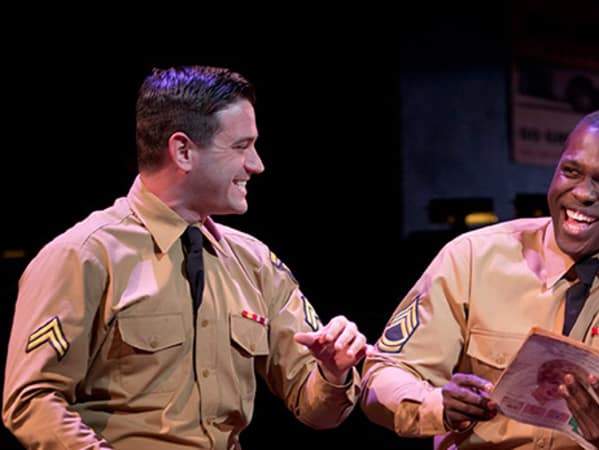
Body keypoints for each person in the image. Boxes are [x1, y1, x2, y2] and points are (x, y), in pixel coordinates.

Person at [2, 65, 367, 449]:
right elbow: (32, 400)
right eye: (241, 146)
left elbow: (318, 412)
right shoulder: (83, 257)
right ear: (183, 151)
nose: (257, 165)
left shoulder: (255, 263)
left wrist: (332, 371)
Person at [360, 108, 599, 450]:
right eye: (571, 172)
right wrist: (435, 404)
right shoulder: (471, 258)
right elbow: (383, 374)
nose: (582, 193)